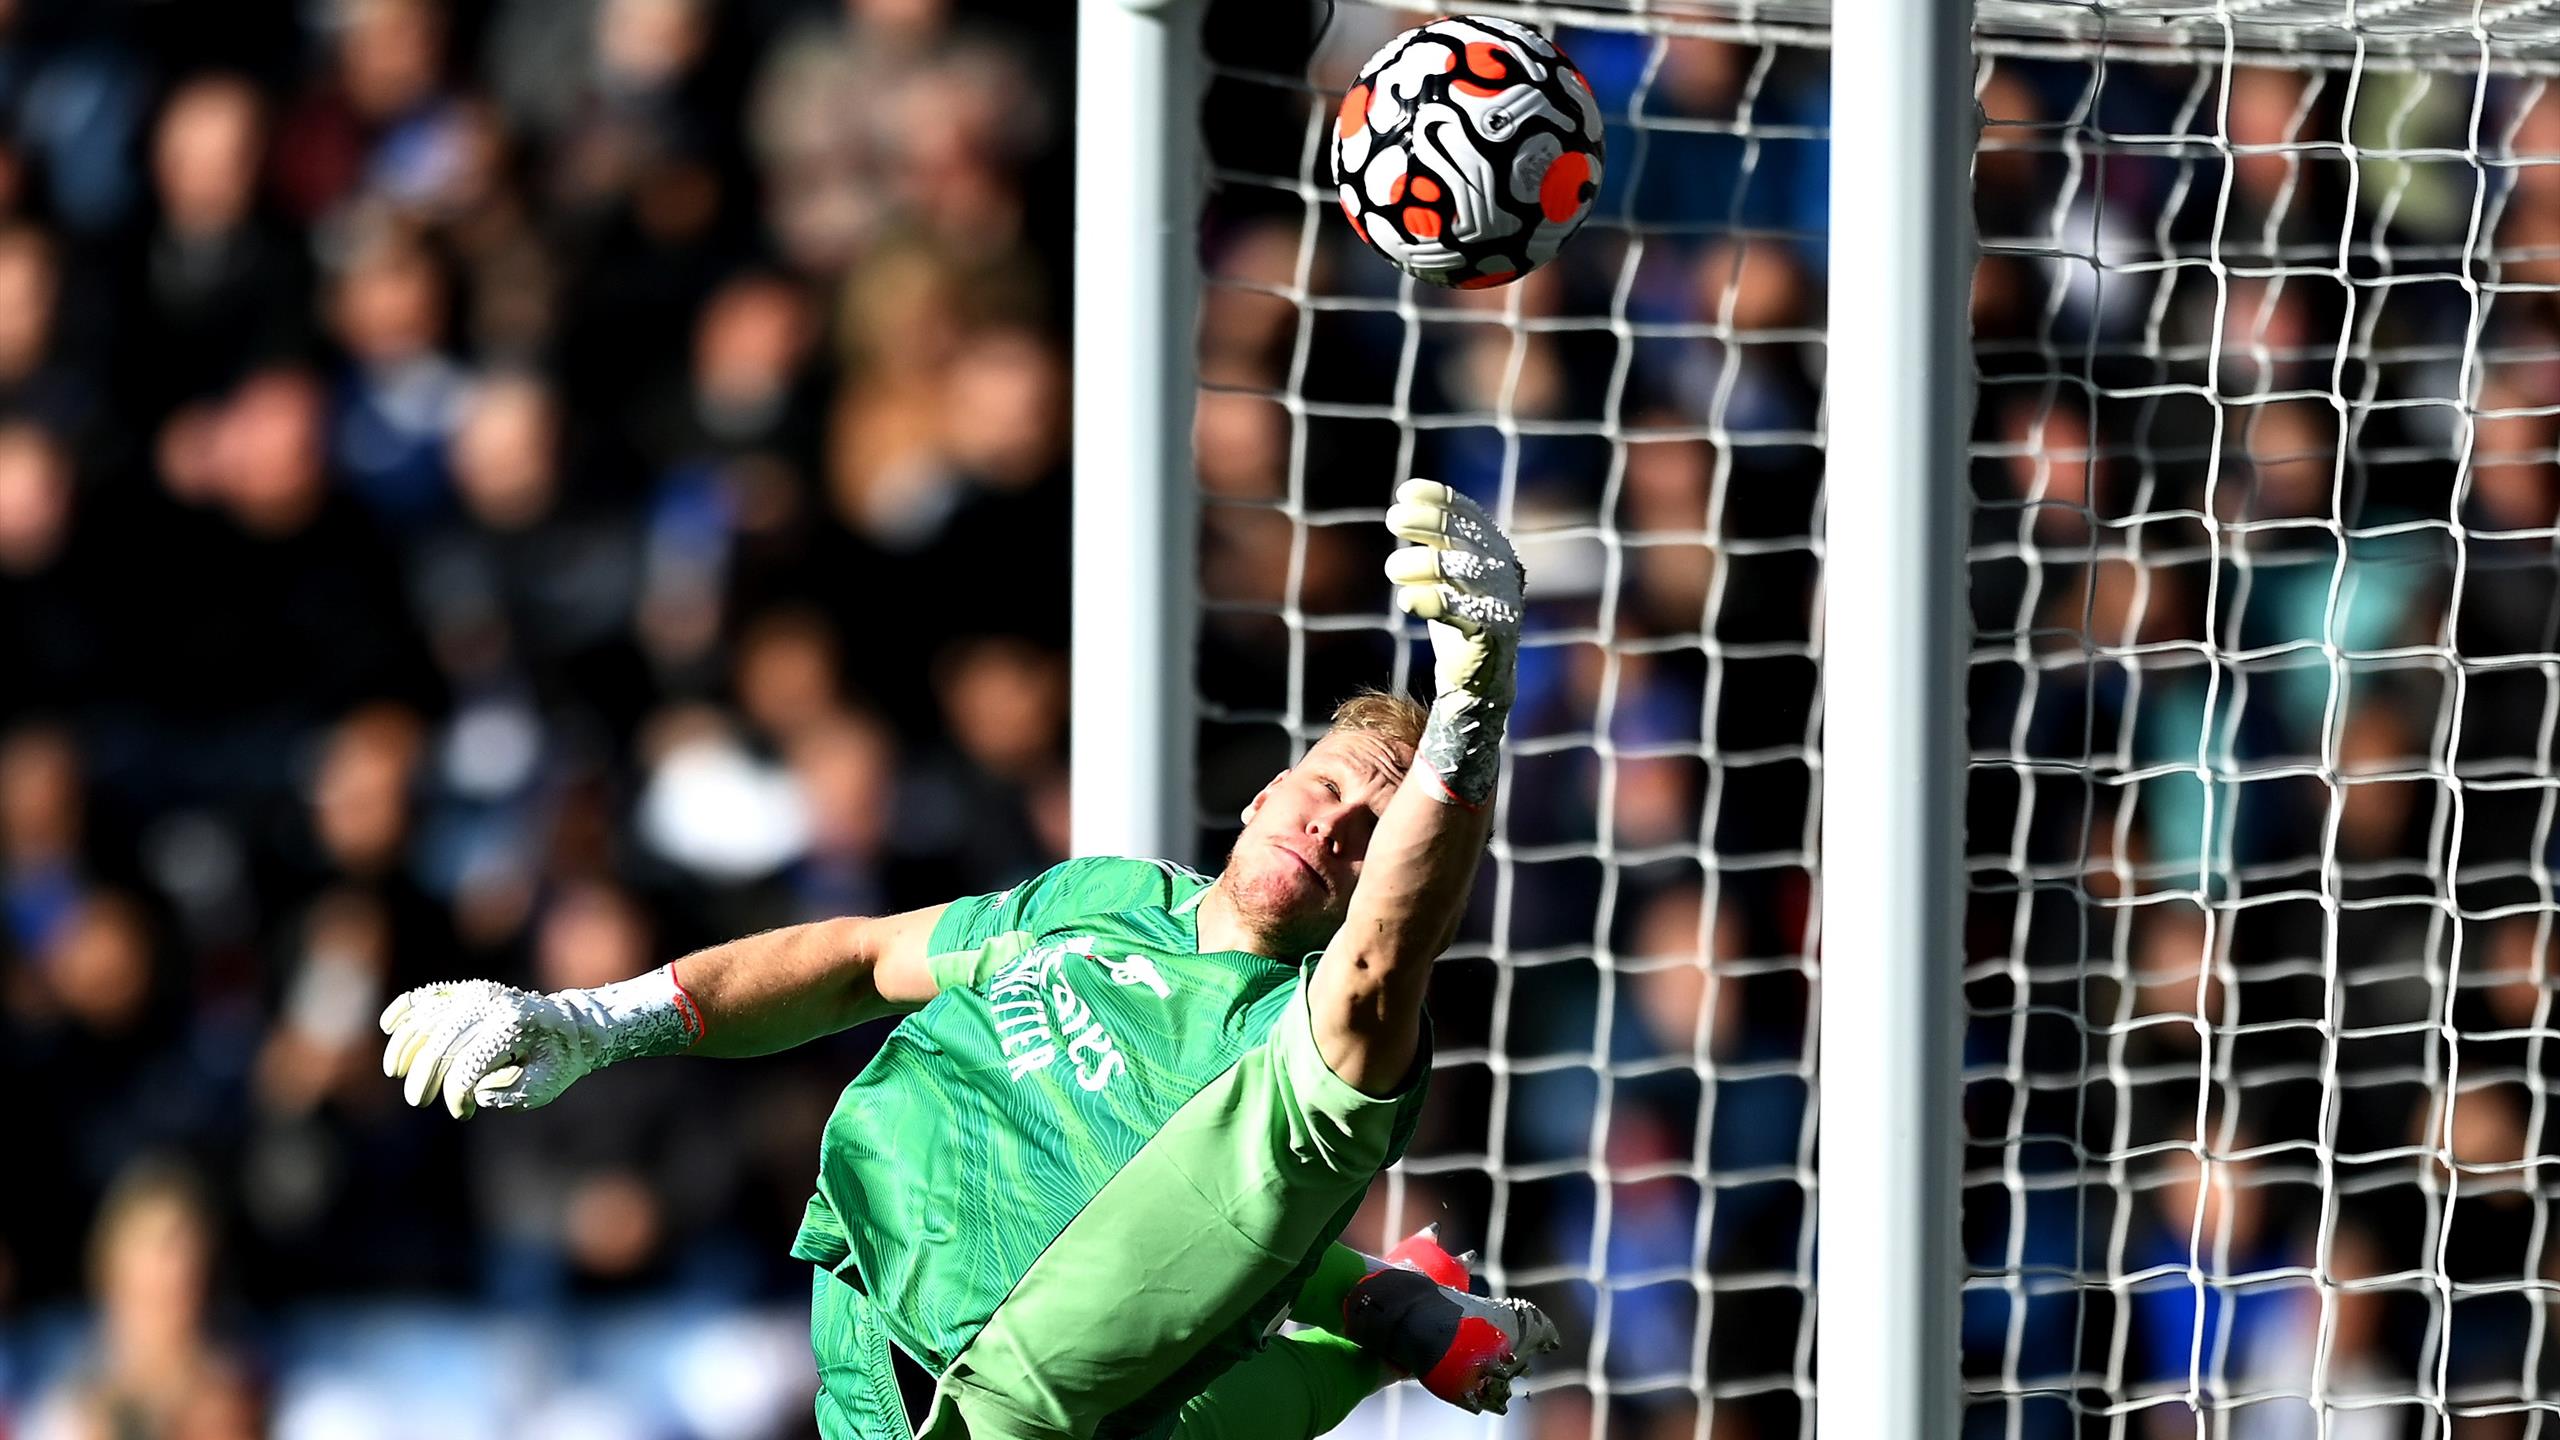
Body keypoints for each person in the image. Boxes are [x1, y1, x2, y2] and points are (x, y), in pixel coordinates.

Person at [380, 482, 1548, 1440]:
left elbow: (1383, 957)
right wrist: (595, 1021)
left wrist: (1472, 709)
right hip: (853, 1348)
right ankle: (1387, 1312)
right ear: (1260, 791)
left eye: (1373, 831)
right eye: (1328, 784)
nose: (1332, 823)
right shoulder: (1109, 896)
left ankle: (1382, 1327)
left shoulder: (1323, 1042)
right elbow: (855, 958)